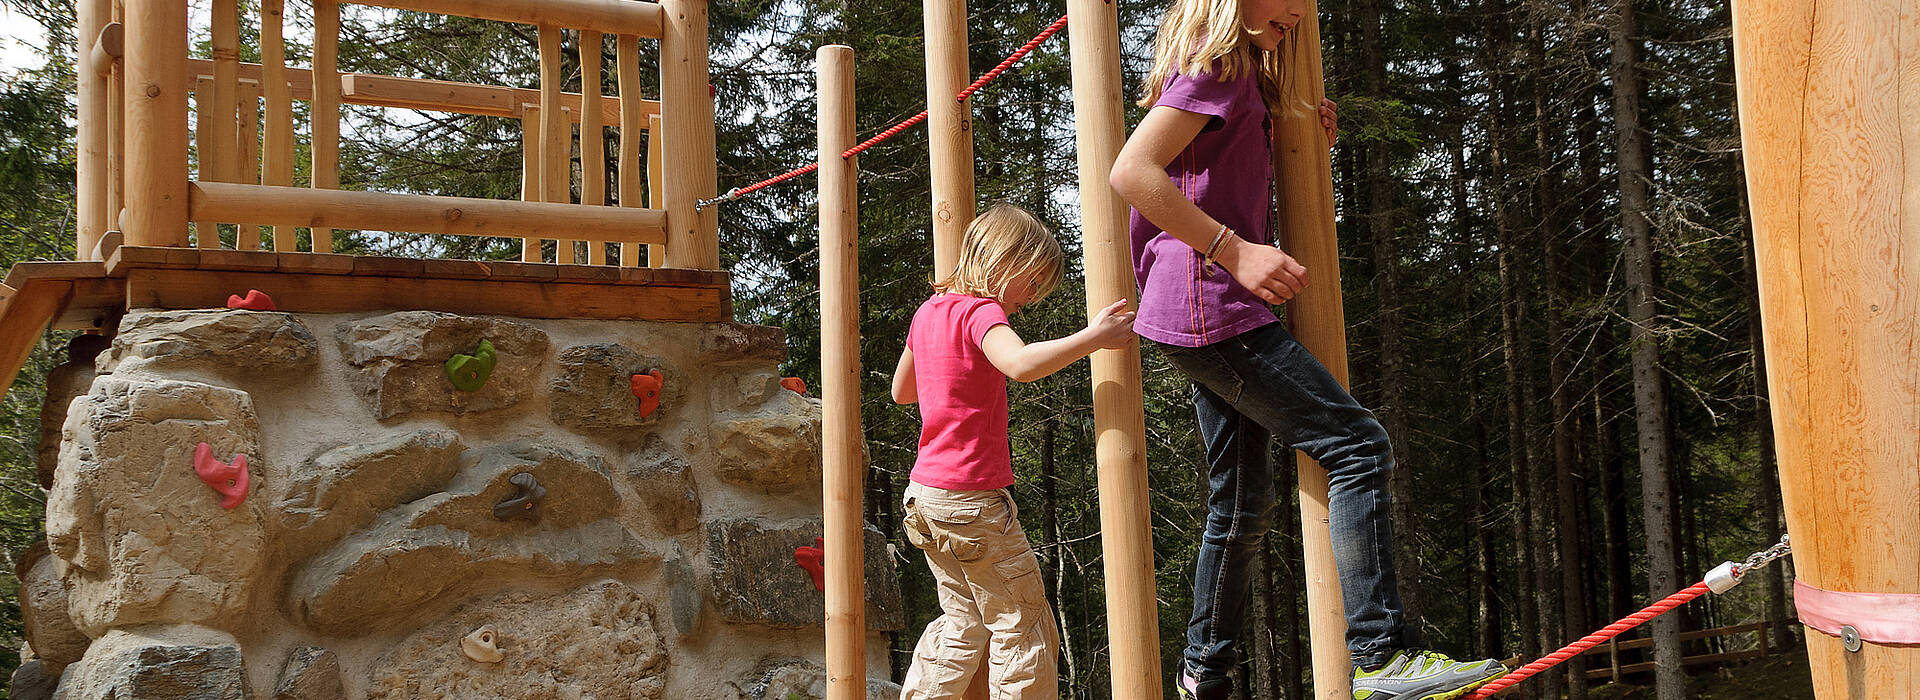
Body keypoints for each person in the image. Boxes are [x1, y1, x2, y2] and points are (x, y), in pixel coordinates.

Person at [1107, 0, 1506, 698]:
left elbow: (1214, 173)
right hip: (1212, 303)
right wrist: (1235, 251)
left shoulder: (1236, 74)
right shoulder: (1220, 65)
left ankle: (1206, 670)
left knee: (1240, 501)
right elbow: (1132, 172)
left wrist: (1293, 140)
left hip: (1195, 307)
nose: (1295, 10)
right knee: (1357, 446)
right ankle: (1383, 658)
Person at [890, 203, 1136, 699]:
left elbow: (902, 391)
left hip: (925, 499)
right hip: (971, 503)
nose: (1033, 297)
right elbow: (1020, 363)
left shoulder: (929, 311)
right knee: (1021, 624)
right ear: (1005, 261)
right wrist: (1095, 337)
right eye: (1034, 281)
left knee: (962, 620)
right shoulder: (981, 311)